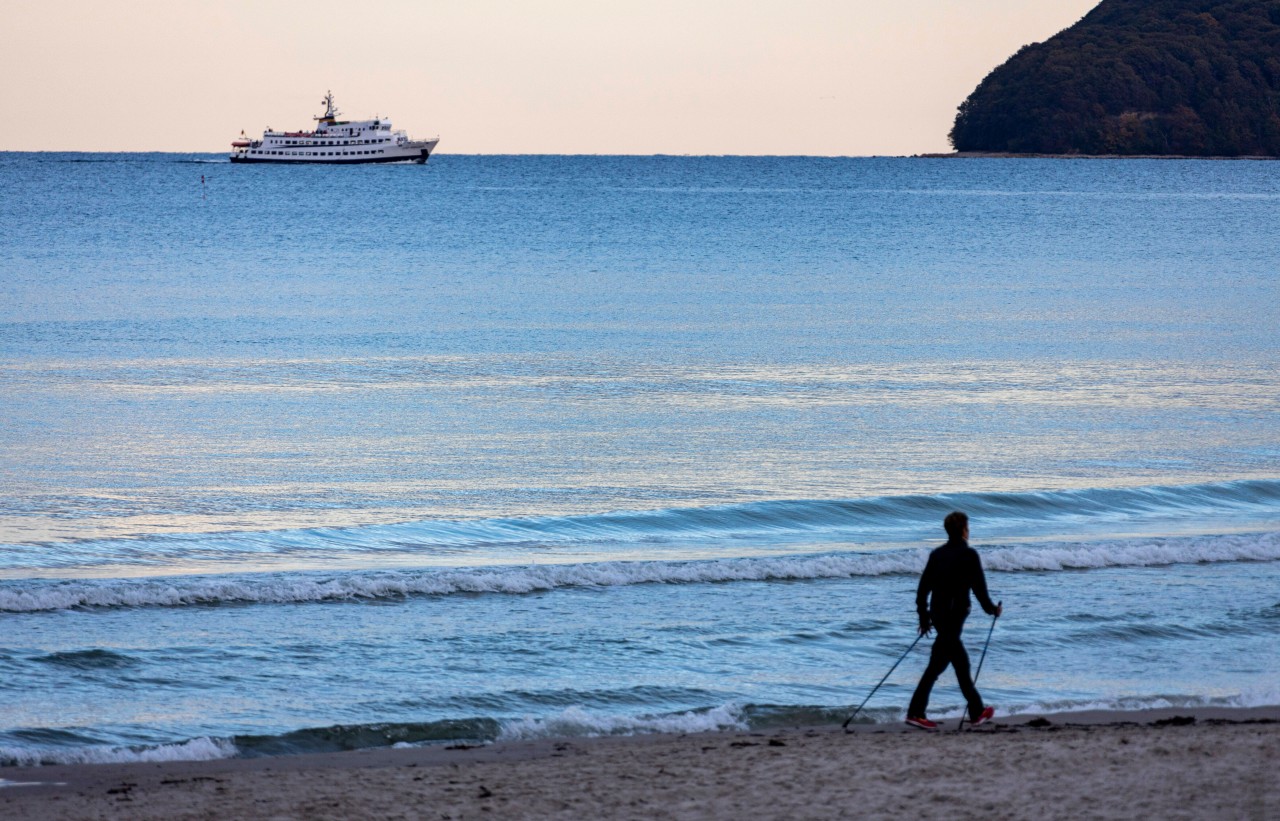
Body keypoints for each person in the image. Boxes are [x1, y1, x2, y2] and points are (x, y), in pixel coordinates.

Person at [905, 511, 1002, 730]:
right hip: (954, 616)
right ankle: (918, 713)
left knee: (945, 663)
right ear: (963, 529)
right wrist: (993, 610)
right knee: (950, 665)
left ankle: (974, 711)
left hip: (939, 616)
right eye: (968, 526)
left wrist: (924, 616)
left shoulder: (937, 554)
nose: (969, 530)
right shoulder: (969, 555)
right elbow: (979, 589)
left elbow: (923, 589)